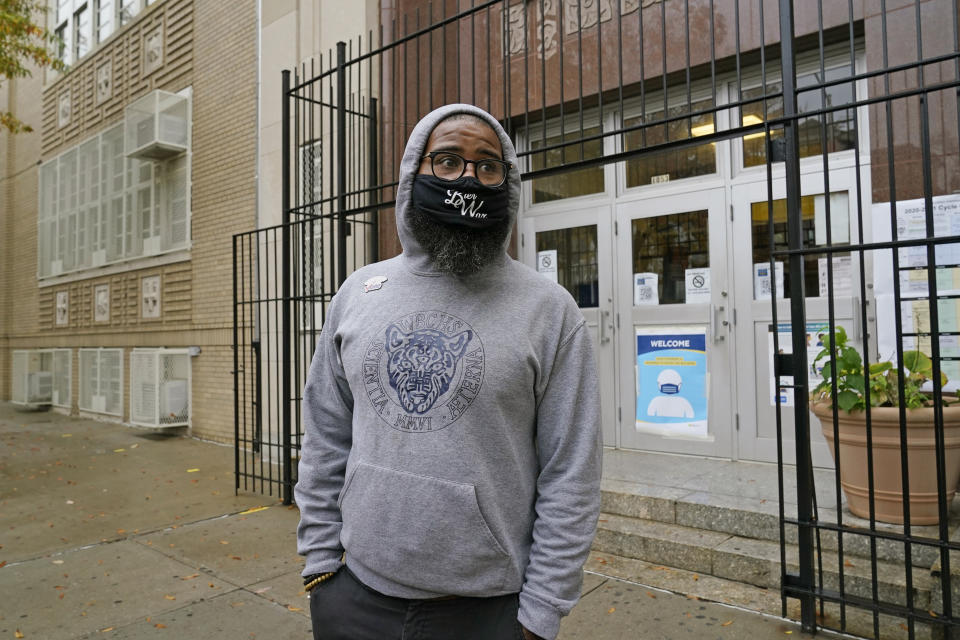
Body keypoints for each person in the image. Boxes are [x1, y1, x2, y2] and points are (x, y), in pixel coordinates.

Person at [295, 103, 602, 640]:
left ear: (506, 183)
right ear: (415, 172)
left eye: (487, 165)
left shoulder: (549, 310)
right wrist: (320, 563)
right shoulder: (359, 293)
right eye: (447, 161)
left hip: (489, 610)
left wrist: (541, 613)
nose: (468, 176)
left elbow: (570, 472)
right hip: (355, 596)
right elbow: (325, 433)